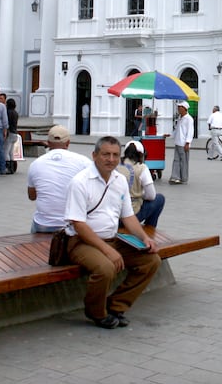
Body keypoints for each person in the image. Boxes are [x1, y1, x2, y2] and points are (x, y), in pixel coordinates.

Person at [64, 136, 161, 329]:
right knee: (106, 268)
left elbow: (128, 217)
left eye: (115, 155)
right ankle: (96, 313)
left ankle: (116, 306)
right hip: (82, 242)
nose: (111, 159)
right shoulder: (80, 182)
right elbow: (78, 224)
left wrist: (144, 238)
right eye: (105, 154)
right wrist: (107, 251)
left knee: (151, 261)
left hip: (112, 239)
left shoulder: (119, 180)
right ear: (94, 156)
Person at [27, 126, 92, 233]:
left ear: (48, 143)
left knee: (36, 223)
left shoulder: (35, 164)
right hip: (71, 224)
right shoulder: (84, 162)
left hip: (43, 224)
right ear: (68, 143)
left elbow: (32, 196)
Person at [118, 140, 165, 229]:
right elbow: (151, 195)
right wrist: (140, 194)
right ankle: (150, 230)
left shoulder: (116, 163)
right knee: (159, 199)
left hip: (114, 215)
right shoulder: (141, 167)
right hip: (130, 216)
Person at [168, 100, 192, 184]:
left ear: (184, 108)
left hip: (183, 143)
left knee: (184, 161)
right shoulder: (180, 118)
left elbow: (190, 132)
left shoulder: (189, 119)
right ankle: (175, 176)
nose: (178, 109)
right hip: (178, 142)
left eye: (179, 107)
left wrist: (187, 143)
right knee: (176, 160)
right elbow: (177, 129)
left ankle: (183, 178)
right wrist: (170, 135)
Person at [3, 97, 20, 173]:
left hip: (9, 133)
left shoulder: (8, 112)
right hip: (15, 133)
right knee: (11, 152)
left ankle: (8, 167)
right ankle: (12, 168)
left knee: (6, 151)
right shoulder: (15, 113)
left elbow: (6, 123)